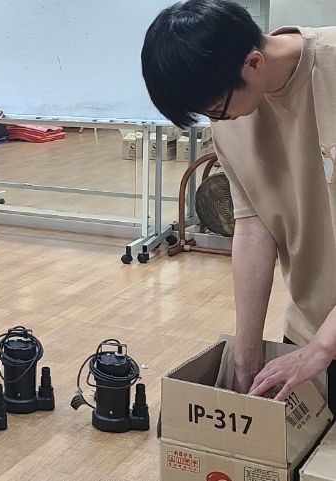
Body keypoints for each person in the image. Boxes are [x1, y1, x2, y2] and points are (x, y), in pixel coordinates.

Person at [141, 0, 336, 412]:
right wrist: (246, 350)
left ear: (253, 63)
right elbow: (252, 225)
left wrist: (324, 346)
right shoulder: (230, 119)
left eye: (216, 109)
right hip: (310, 328)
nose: (217, 120)